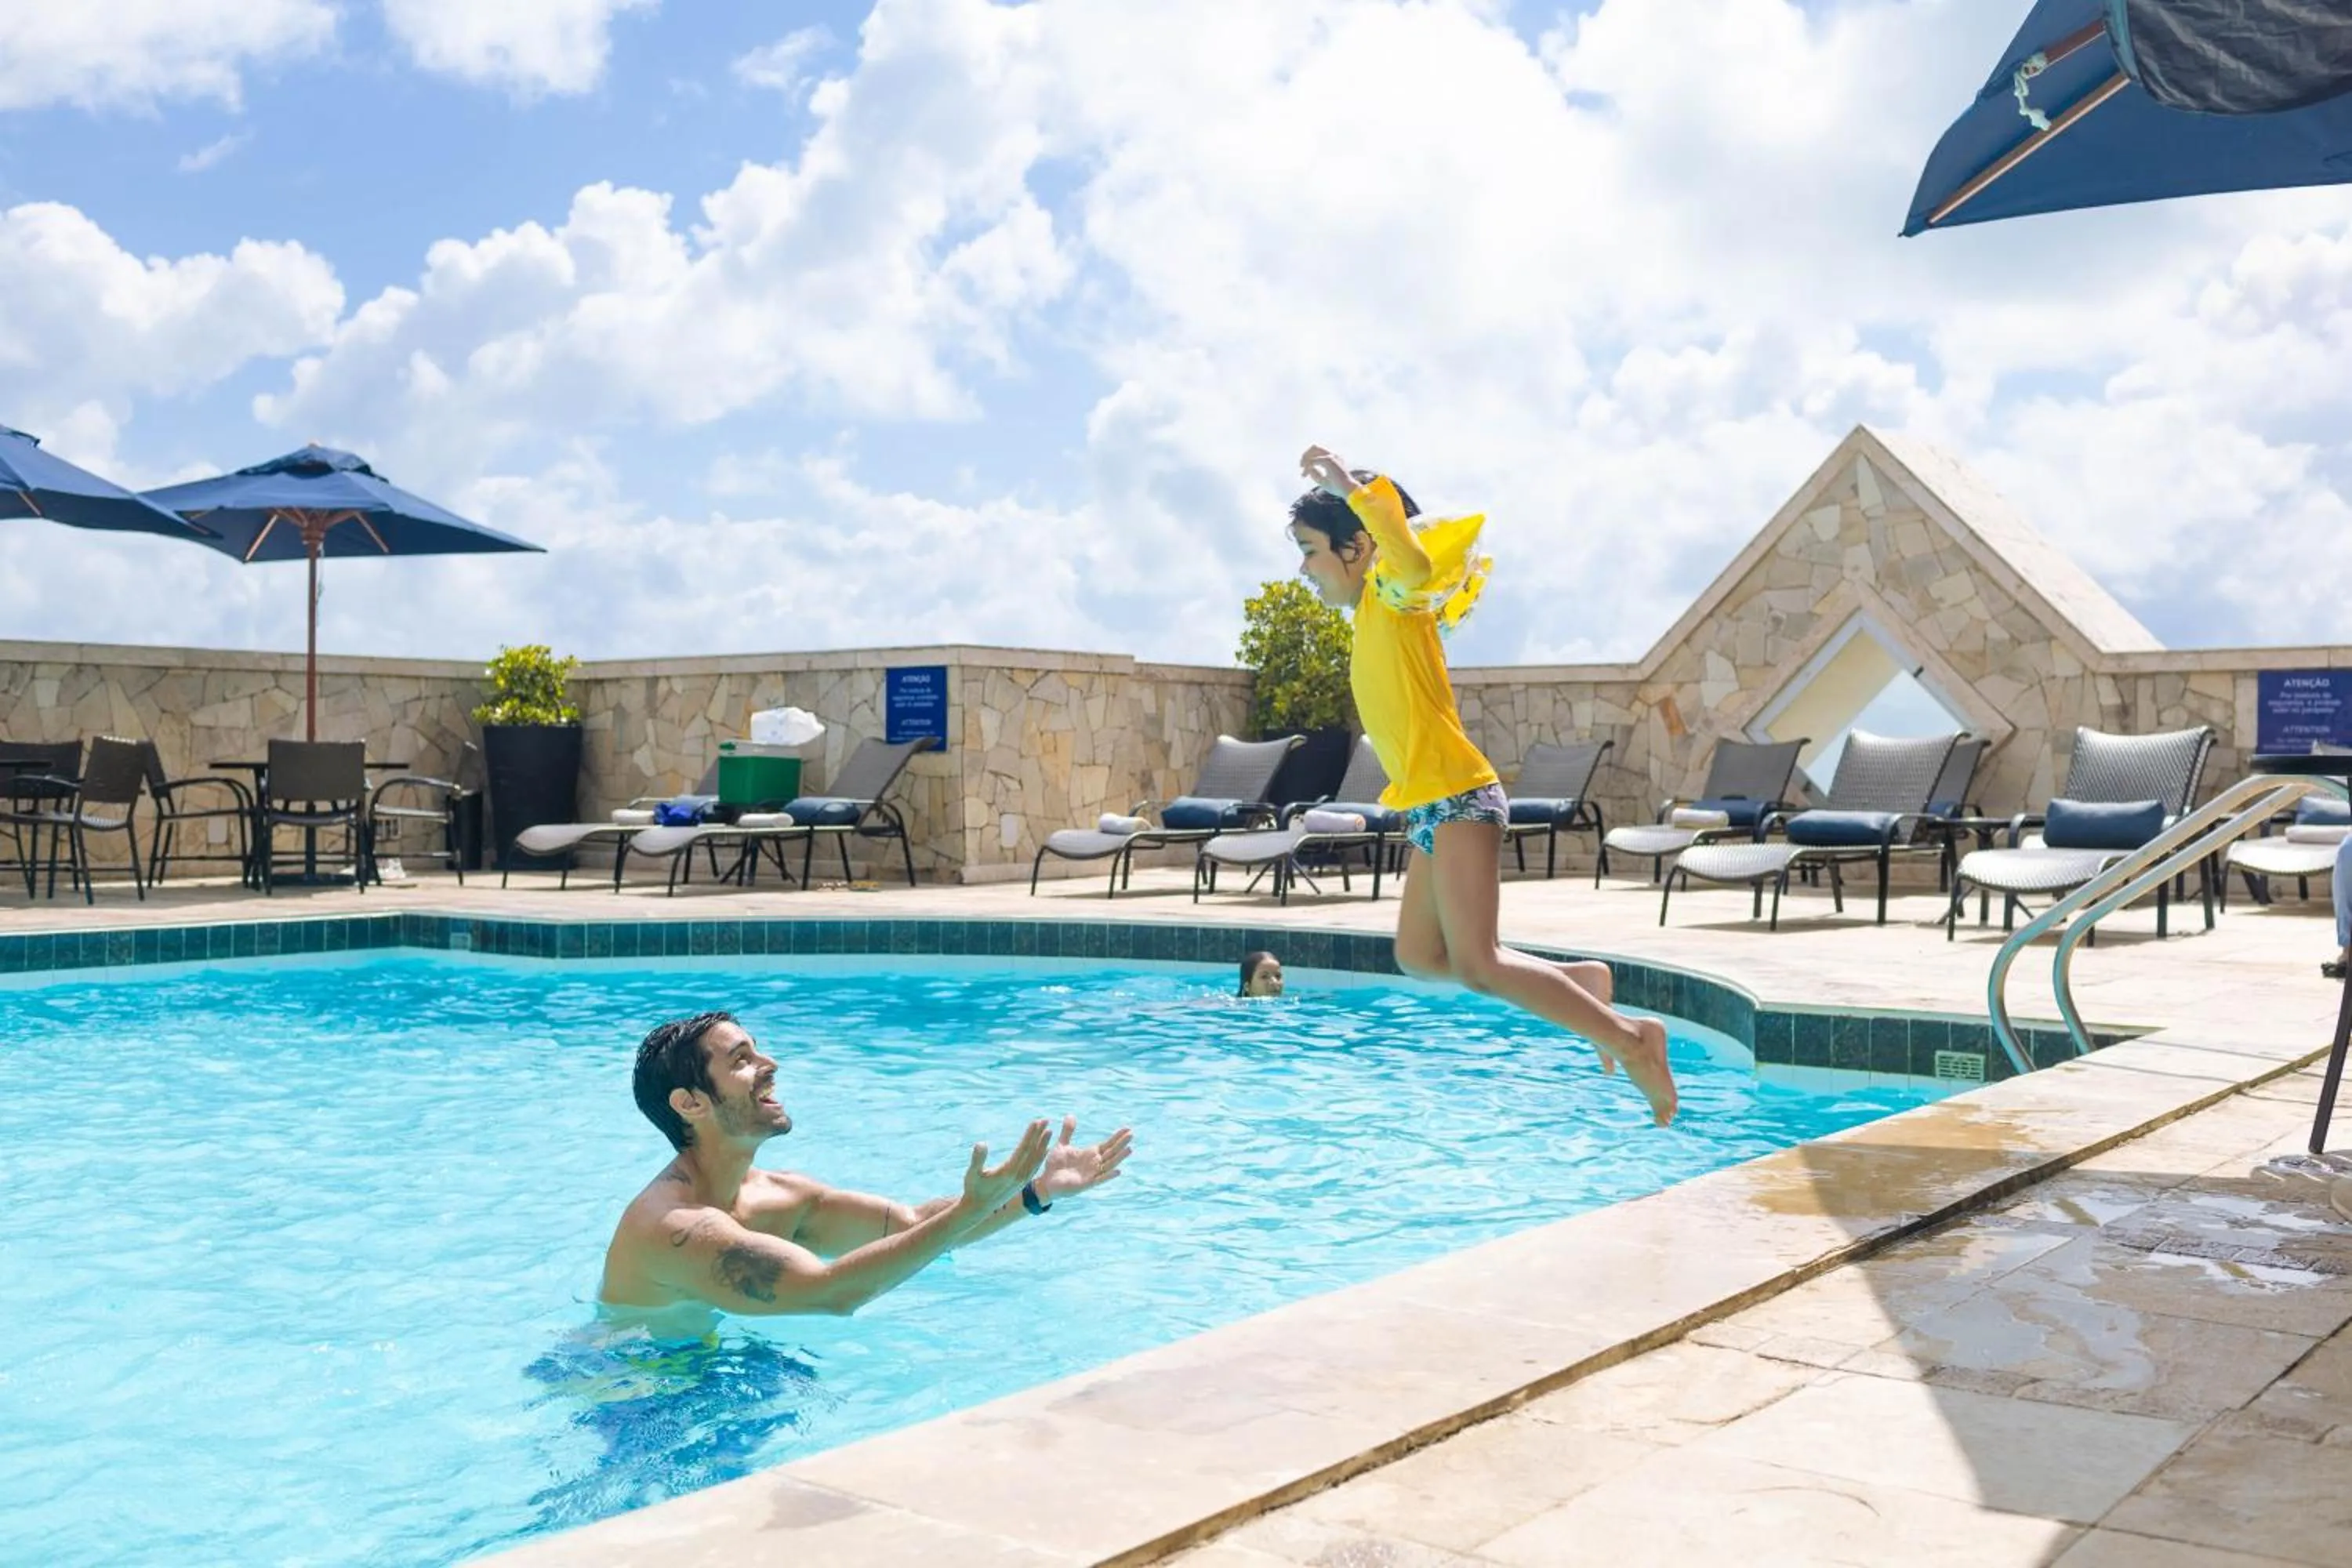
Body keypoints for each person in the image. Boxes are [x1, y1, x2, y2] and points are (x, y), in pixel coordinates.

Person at [1290, 445, 1678, 1125]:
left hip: (1462, 796)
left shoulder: (1393, 593)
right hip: (1433, 806)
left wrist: (1351, 487)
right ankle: (1580, 987)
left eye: (1311, 550)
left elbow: (1408, 559)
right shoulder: (1373, 617)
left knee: (1477, 961)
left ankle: (1633, 1040)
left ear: (1357, 549)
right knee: (1419, 956)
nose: (1303, 568)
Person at [599, 1011, 1134, 1317]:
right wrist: (970, 1207)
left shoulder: (780, 1197)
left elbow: (910, 1226)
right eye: (742, 1060)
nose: (771, 1065)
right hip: (631, 1394)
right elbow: (832, 1293)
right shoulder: (678, 1228)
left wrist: (1038, 1191)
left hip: (702, 1370)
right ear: (690, 1103)